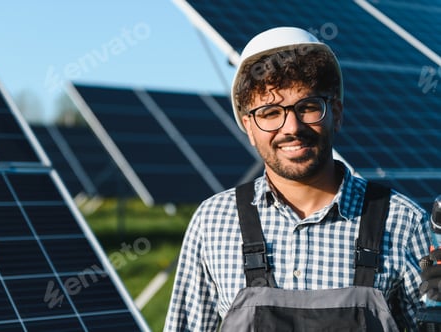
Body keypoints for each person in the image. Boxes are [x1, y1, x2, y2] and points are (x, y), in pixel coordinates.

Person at [163, 26, 434, 331]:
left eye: (307, 107)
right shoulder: (213, 222)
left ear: (337, 113)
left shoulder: (404, 222)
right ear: (248, 127)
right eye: (269, 112)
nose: (291, 127)